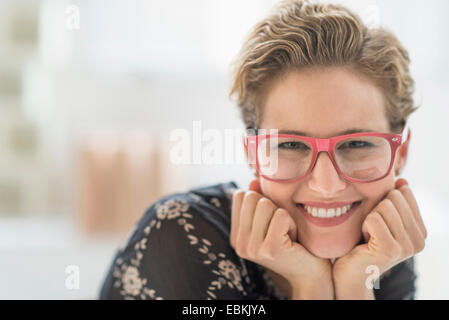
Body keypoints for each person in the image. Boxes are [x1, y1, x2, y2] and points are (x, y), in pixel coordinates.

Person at [99, 0, 427, 300]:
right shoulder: (181, 237)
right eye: (290, 145)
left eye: (357, 144)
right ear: (253, 155)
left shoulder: (384, 252)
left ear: (400, 153)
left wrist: (355, 284)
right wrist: (310, 285)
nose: (326, 185)